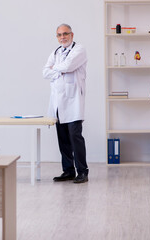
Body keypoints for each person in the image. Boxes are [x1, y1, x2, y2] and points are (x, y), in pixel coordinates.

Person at [43, 23, 88, 184]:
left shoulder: (79, 50)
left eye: (65, 34)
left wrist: (56, 68)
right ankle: (68, 171)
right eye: (59, 35)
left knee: (75, 137)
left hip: (73, 101)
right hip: (58, 104)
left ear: (72, 34)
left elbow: (69, 66)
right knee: (63, 139)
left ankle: (82, 171)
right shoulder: (56, 52)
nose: (62, 37)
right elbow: (45, 72)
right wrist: (58, 69)